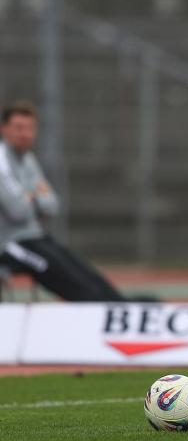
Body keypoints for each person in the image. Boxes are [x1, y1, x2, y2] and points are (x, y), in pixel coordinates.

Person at [0, 102, 143, 302]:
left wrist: (31, 197)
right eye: (18, 128)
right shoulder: (2, 161)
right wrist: (37, 196)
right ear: (3, 128)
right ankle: (97, 312)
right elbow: (18, 210)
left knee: (81, 270)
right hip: (9, 244)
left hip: (35, 236)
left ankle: (118, 304)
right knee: (64, 276)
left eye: (30, 128)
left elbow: (52, 206)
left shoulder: (28, 159)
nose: (25, 134)